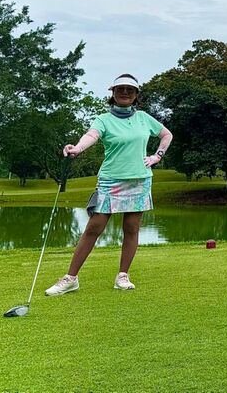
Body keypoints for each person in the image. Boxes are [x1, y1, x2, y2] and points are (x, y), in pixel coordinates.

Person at [45, 74, 173, 295]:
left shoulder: (143, 118)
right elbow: (91, 135)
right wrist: (77, 148)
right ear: (113, 93)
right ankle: (71, 278)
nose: (125, 92)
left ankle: (123, 276)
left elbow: (166, 135)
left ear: (136, 95)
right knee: (94, 228)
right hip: (111, 180)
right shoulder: (103, 119)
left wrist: (156, 156)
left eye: (130, 90)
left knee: (131, 228)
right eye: (120, 89)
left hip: (139, 180)